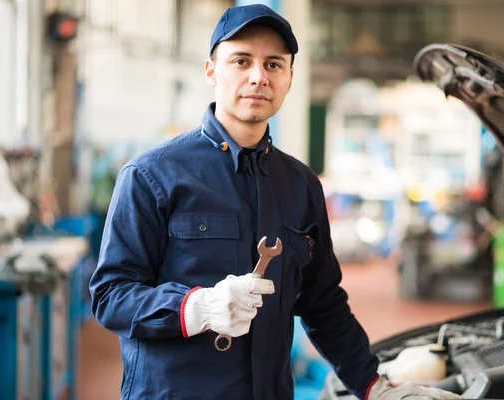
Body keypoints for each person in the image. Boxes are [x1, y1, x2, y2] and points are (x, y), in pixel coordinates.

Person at [89, 4, 462, 400]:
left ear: (289, 78)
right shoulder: (152, 175)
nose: (257, 77)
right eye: (241, 61)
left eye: (273, 65)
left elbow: (323, 303)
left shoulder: (301, 185)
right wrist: (195, 307)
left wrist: (374, 386)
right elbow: (111, 295)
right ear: (211, 70)